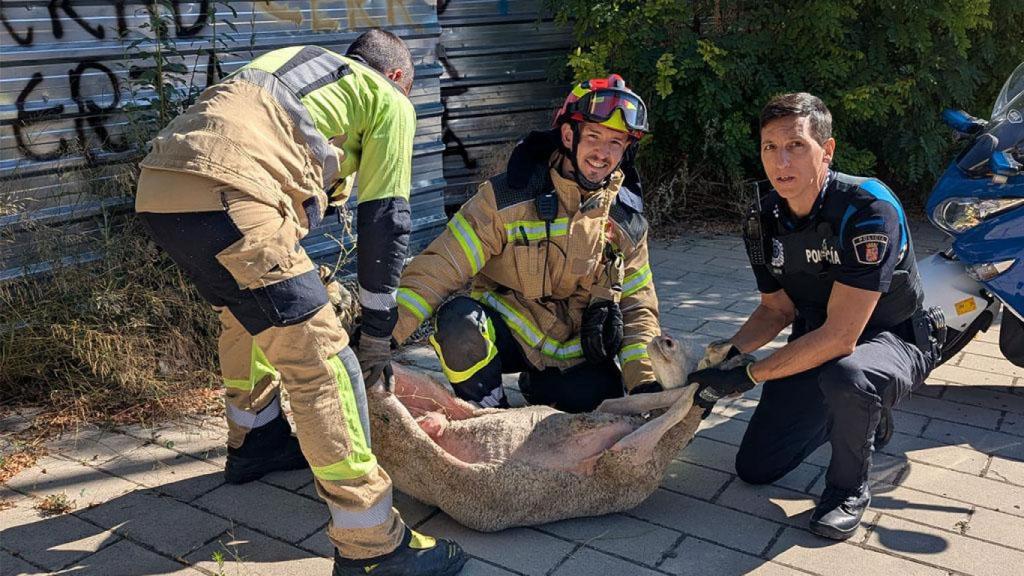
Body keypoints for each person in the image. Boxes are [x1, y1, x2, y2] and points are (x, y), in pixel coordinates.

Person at [134, 30, 467, 576]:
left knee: (245, 318)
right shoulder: (387, 98)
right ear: (397, 78)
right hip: (229, 189)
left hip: (162, 189)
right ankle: (371, 544)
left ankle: (257, 439)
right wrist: (377, 331)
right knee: (325, 362)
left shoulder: (297, 67)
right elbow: (386, 219)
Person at [686, 92, 941, 540]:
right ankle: (858, 414)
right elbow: (777, 309)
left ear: (827, 150)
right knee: (756, 467)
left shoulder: (868, 209)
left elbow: (842, 337)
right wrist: (726, 357)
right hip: (816, 339)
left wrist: (750, 375)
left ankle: (847, 489)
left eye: (796, 145)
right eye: (770, 147)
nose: (781, 160)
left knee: (848, 376)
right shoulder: (762, 218)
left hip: (892, 338)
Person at [392, 75, 662, 413]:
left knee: (599, 398)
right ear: (569, 135)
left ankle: (541, 387)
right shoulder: (507, 197)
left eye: (616, 142)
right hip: (508, 336)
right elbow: (439, 267)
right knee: (458, 323)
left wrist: (647, 385)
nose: (603, 153)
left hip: (573, 352)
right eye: (594, 136)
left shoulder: (627, 222)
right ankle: (488, 408)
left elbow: (638, 310)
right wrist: (382, 336)